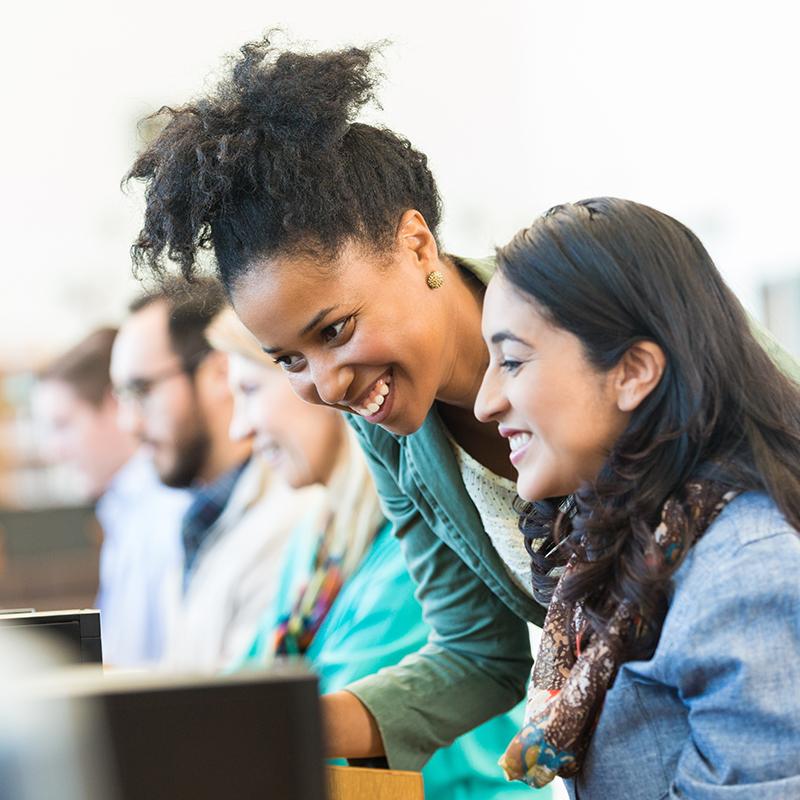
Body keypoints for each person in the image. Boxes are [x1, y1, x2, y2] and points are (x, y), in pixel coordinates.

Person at [123, 36, 800, 773]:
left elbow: (769, 467)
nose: (326, 386)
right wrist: (275, 729)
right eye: (288, 360)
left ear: (416, 248)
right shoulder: (394, 432)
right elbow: (478, 654)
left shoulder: (602, 303)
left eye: (336, 330)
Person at [476, 197, 800, 797]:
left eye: (513, 362)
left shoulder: (748, 574)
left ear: (633, 372)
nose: (484, 402)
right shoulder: (627, 539)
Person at [207, 307, 541, 799]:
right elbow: (247, 688)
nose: (238, 429)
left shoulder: (412, 547)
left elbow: (323, 728)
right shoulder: (318, 542)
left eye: (250, 391)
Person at [110, 279, 304, 669]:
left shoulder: (291, 517)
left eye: (142, 390)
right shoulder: (200, 515)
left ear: (218, 372)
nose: (128, 423)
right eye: (122, 397)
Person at [33, 328, 190, 666]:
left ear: (113, 404)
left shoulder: (167, 510)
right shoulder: (124, 510)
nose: (52, 451)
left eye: (62, 424)